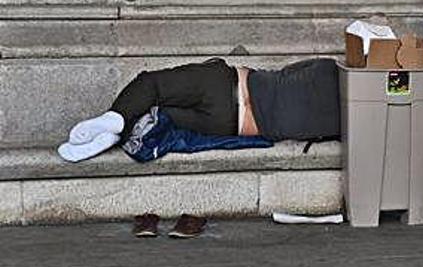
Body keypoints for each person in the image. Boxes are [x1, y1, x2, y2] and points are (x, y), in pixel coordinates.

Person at [58, 58, 340, 162]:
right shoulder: (345, 125)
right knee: (162, 114)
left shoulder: (328, 68)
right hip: (231, 123)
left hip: (229, 83)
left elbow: (289, 70)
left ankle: (115, 120)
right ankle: (117, 133)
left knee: (152, 84)